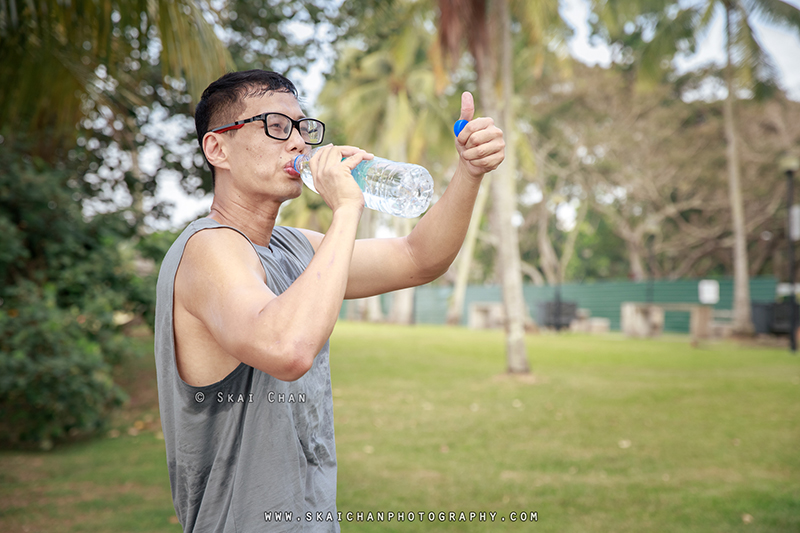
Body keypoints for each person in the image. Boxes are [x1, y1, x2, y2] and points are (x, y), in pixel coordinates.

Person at [154, 69, 504, 532]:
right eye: (275, 126)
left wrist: (469, 172)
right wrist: (346, 209)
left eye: (302, 127)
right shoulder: (207, 248)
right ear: (217, 148)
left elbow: (418, 258)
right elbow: (288, 349)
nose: (298, 143)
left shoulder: (295, 248)